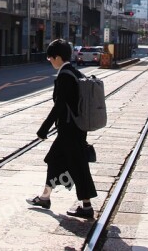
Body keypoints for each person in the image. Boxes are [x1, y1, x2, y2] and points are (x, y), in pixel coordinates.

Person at [27, 39, 97, 219]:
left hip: (69, 130)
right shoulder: (74, 71)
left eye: (50, 58)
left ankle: (86, 206)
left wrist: (44, 128)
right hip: (74, 128)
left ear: (57, 57)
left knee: (78, 166)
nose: (49, 61)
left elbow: (59, 105)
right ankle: (45, 196)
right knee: (55, 160)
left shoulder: (65, 75)